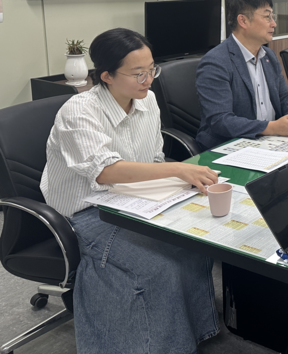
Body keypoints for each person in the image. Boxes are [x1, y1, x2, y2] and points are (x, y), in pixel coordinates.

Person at [41, 28, 220, 354]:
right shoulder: (79, 111)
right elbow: (105, 171)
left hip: (134, 198)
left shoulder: (147, 100)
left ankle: (197, 330)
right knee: (158, 266)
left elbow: (153, 158)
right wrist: (178, 170)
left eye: (151, 69)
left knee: (196, 243)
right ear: (107, 76)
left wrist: (178, 184)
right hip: (87, 212)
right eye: (138, 73)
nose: (148, 79)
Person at [196, 0, 288, 150]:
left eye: (273, 17)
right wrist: (272, 127)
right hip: (228, 146)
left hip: (268, 141)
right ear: (243, 21)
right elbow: (221, 120)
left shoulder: (269, 56)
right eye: (267, 17)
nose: (274, 24)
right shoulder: (216, 62)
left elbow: (284, 97)